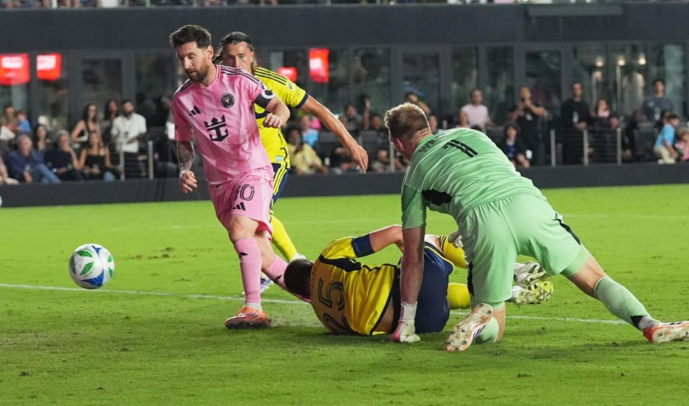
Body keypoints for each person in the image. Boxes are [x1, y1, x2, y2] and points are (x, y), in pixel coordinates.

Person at [383, 102, 689, 349]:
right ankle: (649, 323)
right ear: (428, 126)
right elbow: (497, 173)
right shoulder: (471, 134)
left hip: (481, 221)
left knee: (496, 320)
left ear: (398, 144)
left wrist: (407, 322)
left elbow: (413, 257)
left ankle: (481, 320)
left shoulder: (412, 180)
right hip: (526, 201)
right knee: (595, 279)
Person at [216, 31, 368, 289]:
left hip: (270, 162)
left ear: (253, 57)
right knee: (243, 219)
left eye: (241, 57)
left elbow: (318, 109)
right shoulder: (214, 85)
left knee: (253, 215)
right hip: (238, 167)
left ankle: (286, 266)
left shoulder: (270, 82)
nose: (236, 64)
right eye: (229, 59)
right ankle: (292, 263)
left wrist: (351, 143)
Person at [170, 24, 293, 329]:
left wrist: (279, 115)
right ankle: (317, 295)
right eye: (181, 59)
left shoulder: (239, 81)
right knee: (263, 255)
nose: (186, 64)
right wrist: (185, 168)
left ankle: (253, 308)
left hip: (253, 172)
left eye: (192, 56)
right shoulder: (182, 99)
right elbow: (183, 142)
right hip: (219, 184)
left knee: (240, 229)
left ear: (209, 53)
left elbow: (277, 103)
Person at [283, 225, 553, 337]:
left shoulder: (324, 318)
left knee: (439, 292)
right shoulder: (327, 257)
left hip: (427, 323)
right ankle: (512, 271)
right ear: (310, 264)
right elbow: (394, 232)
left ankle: (505, 293)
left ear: (303, 296)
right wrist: (411, 256)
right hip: (415, 286)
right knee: (429, 241)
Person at [509, 86, 546, 159]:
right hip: (521, 135)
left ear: (529, 94)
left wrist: (530, 106)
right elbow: (510, 119)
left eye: (526, 92)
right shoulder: (516, 106)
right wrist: (518, 110)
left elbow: (541, 112)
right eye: (522, 92)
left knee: (537, 155)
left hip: (534, 135)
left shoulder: (535, 104)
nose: (524, 94)